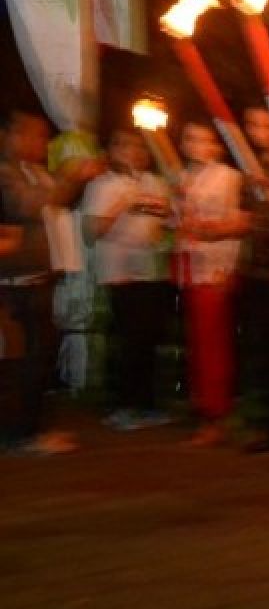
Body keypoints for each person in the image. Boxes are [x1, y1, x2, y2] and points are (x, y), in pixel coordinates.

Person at [0, 110, 97, 453]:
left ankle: (32, 429)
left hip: (39, 276)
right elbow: (29, 206)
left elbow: (56, 199)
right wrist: (70, 180)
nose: (44, 143)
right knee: (22, 359)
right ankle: (21, 434)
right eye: (36, 135)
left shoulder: (35, 171)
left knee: (40, 355)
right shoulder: (7, 173)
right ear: (12, 136)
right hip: (13, 282)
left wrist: (76, 180)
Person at [83, 129, 175, 431]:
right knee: (127, 342)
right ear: (111, 151)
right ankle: (120, 407)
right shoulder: (102, 184)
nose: (133, 152)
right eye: (124, 145)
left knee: (147, 341)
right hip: (120, 274)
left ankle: (145, 405)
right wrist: (120, 205)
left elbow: (172, 219)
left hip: (151, 271)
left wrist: (169, 210)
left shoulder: (155, 183)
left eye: (139, 146)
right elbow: (91, 231)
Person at [176, 121, 248, 447]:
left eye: (204, 139)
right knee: (198, 343)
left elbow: (241, 221)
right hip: (190, 267)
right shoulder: (182, 176)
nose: (196, 145)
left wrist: (209, 229)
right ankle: (203, 407)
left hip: (215, 268)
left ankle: (215, 415)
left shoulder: (229, 177)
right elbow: (177, 220)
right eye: (190, 138)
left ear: (218, 146)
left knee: (213, 344)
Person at [235, 105, 269, 451]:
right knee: (260, 349)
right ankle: (263, 422)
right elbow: (247, 221)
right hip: (257, 270)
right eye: (253, 125)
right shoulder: (250, 170)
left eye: (268, 126)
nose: (260, 133)